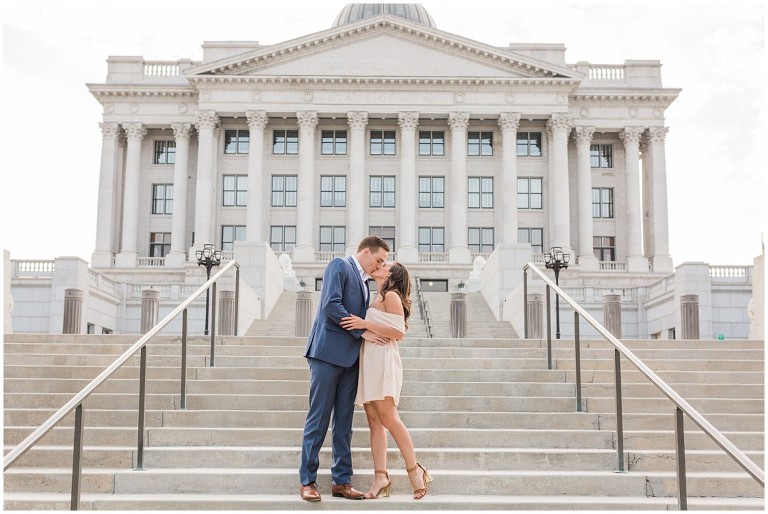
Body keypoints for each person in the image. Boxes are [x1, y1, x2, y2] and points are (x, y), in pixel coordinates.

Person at [298, 236, 389, 502]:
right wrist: (364, 330)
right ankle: (308, 482)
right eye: (378, 259)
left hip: (351, 360)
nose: (379, 265)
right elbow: (331, 305)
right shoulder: (339, 265)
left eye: (383, 262)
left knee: (344, 424)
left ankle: (342, 481)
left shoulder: (364, 282)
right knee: (319, 420)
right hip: (326, 354)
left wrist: (366, 330)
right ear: (365, 251)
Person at [340, 261, 433, 500]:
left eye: (385, 264)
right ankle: (380, 476)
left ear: (390, 274)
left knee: (389, 417)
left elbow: (399, 332)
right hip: (369, 359)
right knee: (374, 421)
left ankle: (415, 471)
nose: (379, 265)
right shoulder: (377, 295)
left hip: (383, 360)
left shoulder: (391, 295)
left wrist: (365, 324)